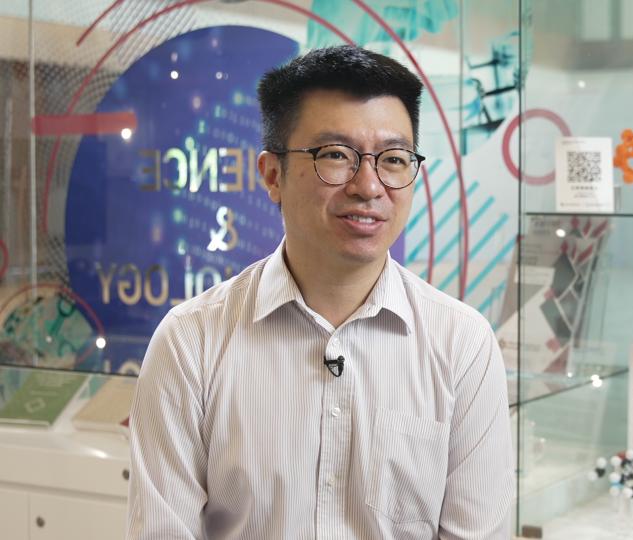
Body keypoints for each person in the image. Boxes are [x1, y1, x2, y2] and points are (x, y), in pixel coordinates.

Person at [126, 46, 513, 540]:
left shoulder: (462, 344)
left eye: (394, 159)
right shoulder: (191, 343)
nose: (368, 186)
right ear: (273, 175)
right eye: (336, 155)